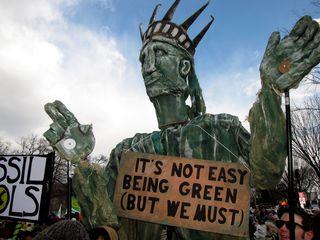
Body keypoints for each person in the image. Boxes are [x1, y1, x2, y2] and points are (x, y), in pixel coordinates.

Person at [43, 0, 320, 239]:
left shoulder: (221, 129)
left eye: (159, 53)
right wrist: (82, 163)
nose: (149, 67)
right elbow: (107, 227)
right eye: (143, 59)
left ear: (184, 66)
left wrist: (271, 93)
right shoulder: (127, 152)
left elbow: (266, 172)